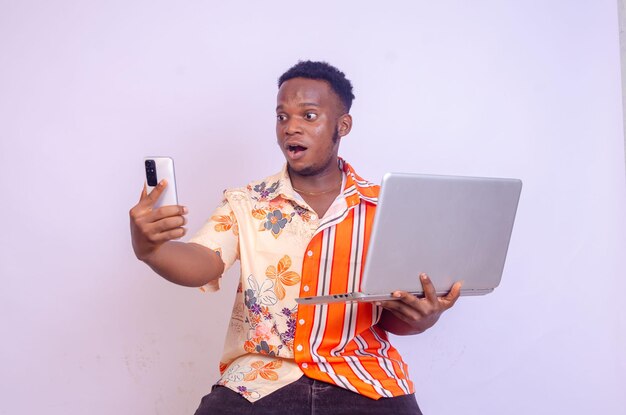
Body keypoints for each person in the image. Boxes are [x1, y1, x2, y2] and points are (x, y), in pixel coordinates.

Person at [129, 61, 462, 414]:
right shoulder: (246, 202)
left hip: (362, 376)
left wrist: (425, 316)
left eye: (309, 116)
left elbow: (396, 317)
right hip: (259, 380)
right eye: (282, 117)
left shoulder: (384, 208)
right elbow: (201, 261)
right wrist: (151, 249)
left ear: (342, 125)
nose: (291, 128)